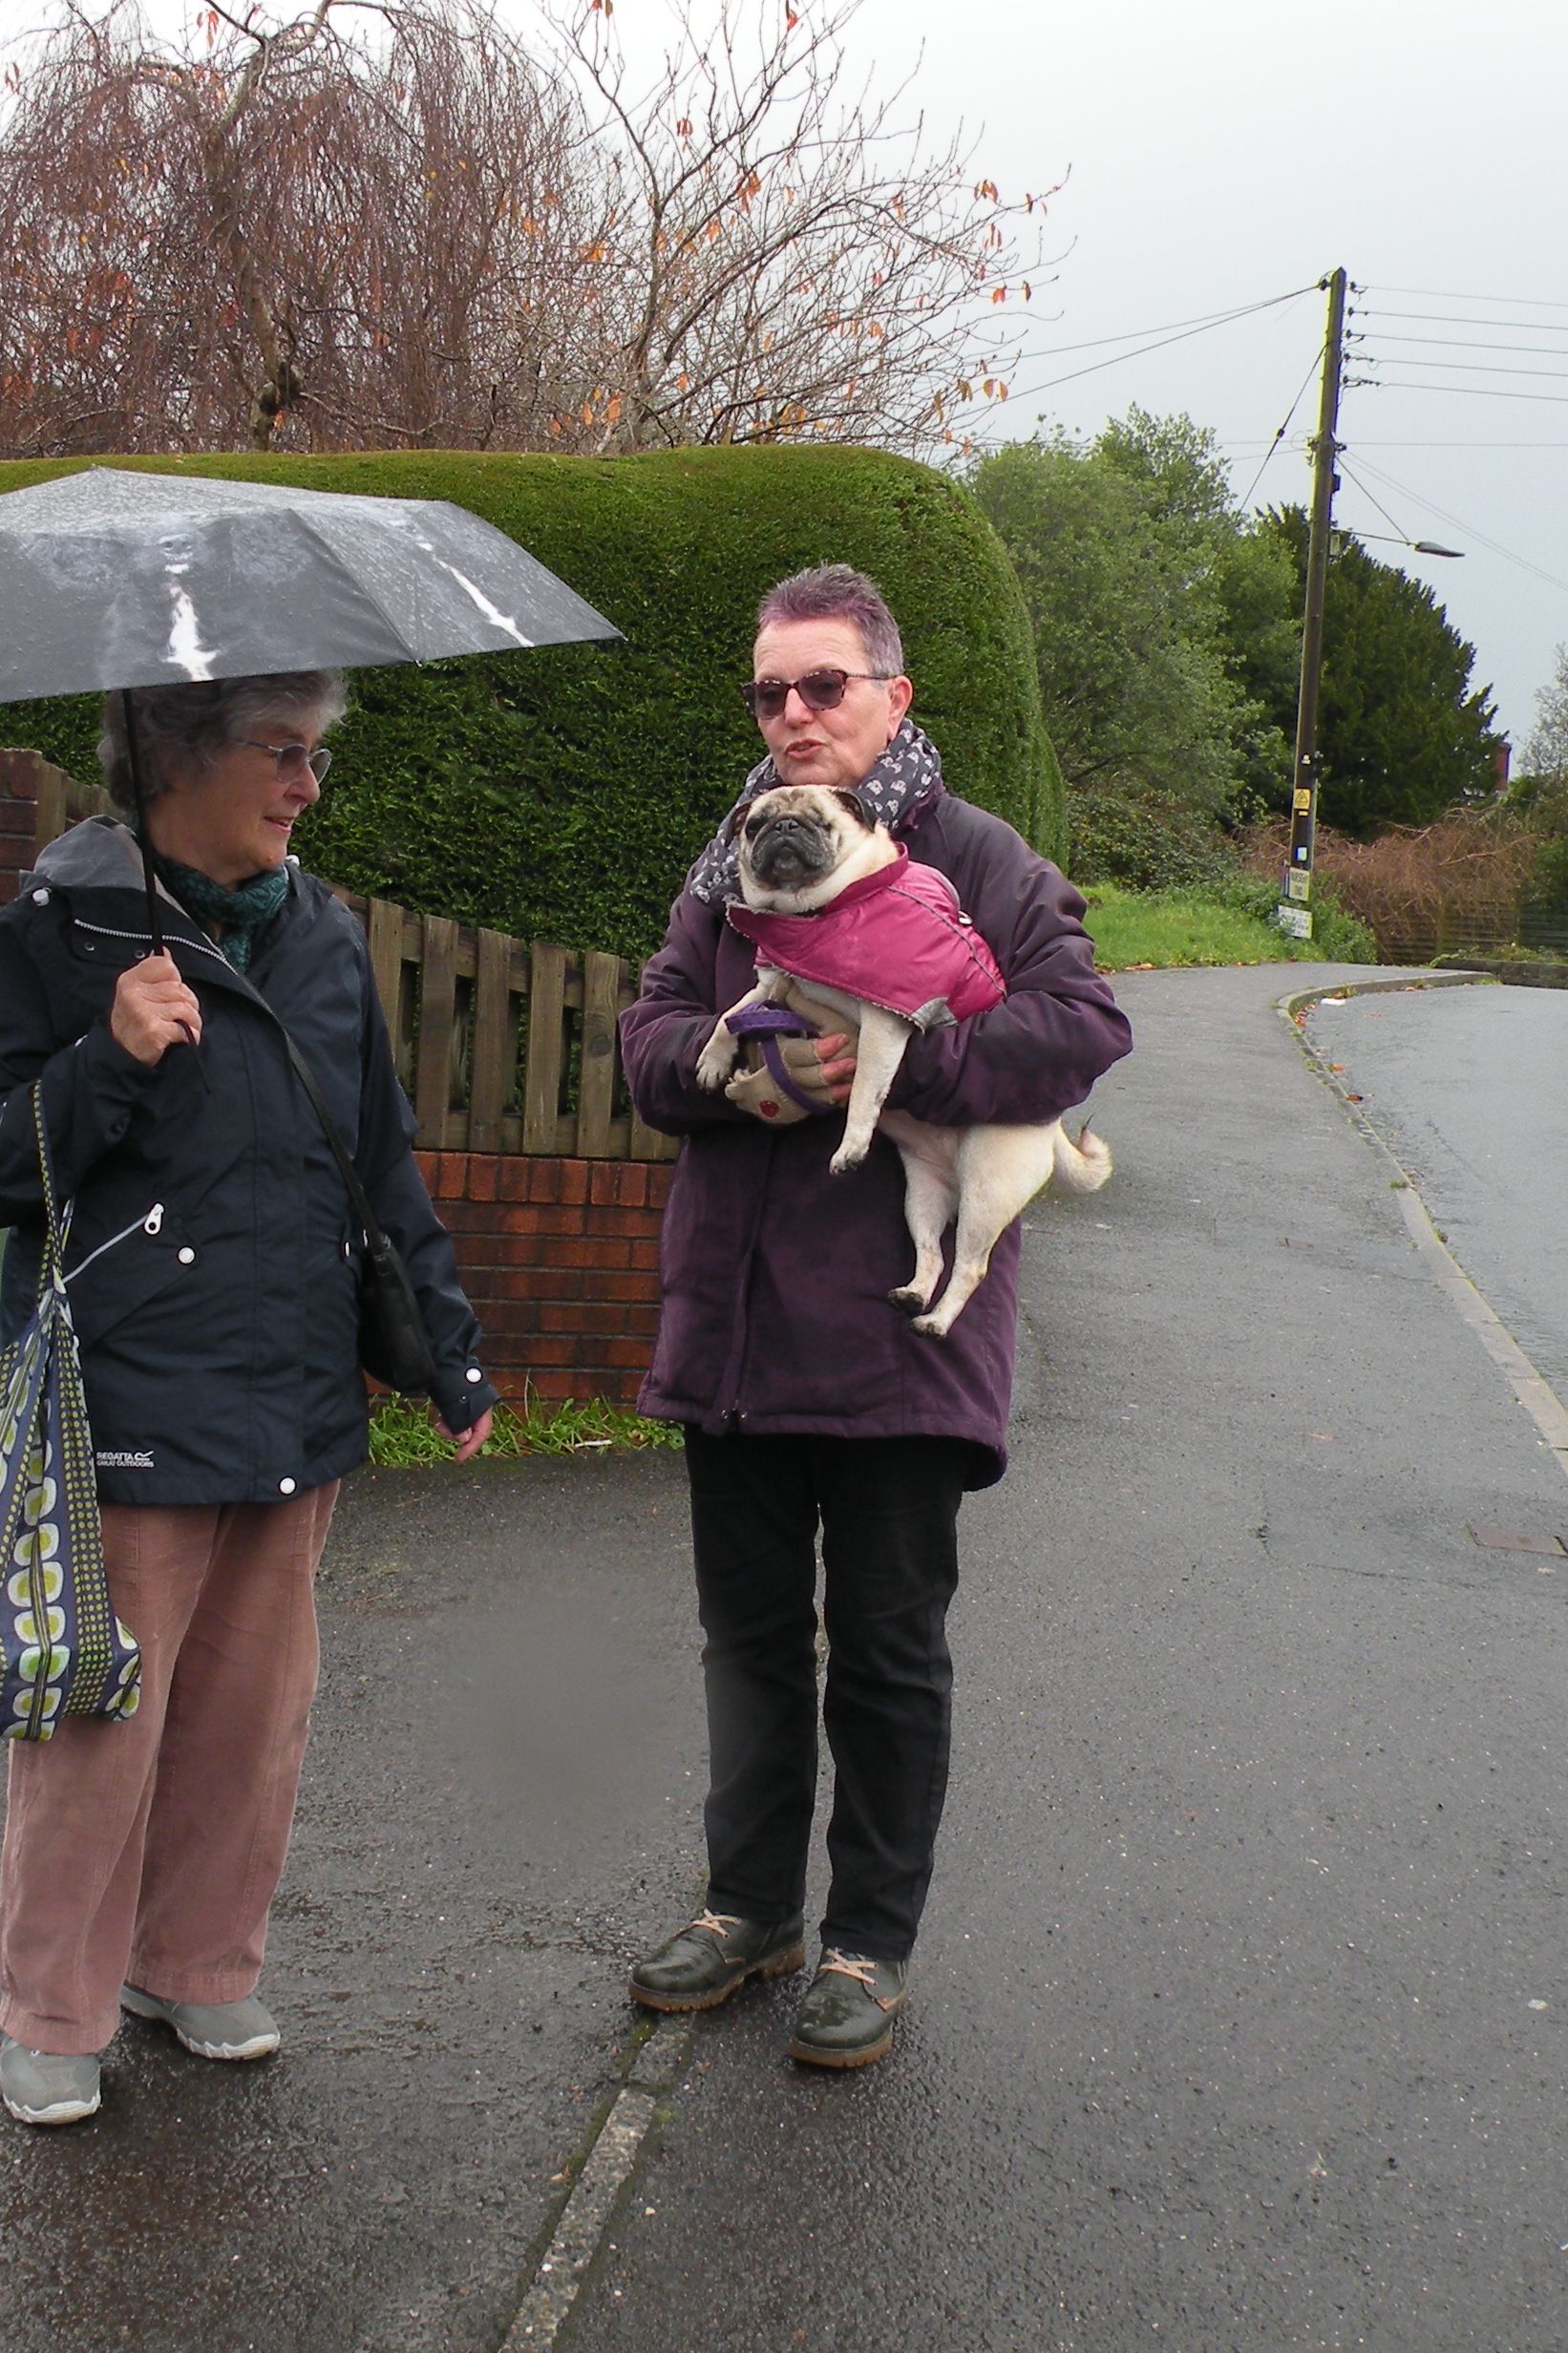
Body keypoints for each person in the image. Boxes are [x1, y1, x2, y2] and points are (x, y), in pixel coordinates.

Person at [0, 671, 498, 2129]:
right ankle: (56, 2005)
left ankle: (195, 1962)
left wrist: (445, 1348)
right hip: (126, 1388)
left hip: (293, 1388)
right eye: (280, 753)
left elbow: (379, 1161)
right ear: (173, 759)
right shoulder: (52, 938)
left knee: (254, 1716)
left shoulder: (319, 936)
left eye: (317, 756)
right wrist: (102, 1058)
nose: (308, 785)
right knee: (97, 1719)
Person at [617, 563, 1131, 2068]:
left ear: (892, 698)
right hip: (734, 1335)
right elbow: (648, 1040)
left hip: (902, 1349)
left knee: (890, 1655)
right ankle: (746, 1910)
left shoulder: (978, 859)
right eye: (770, 690)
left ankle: (868, 1943)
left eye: (822, 685)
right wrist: (726, 1074)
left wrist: (907, 1073)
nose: (792, 714)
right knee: (750, 1644)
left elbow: (1084, 1027)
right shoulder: (732, 863)